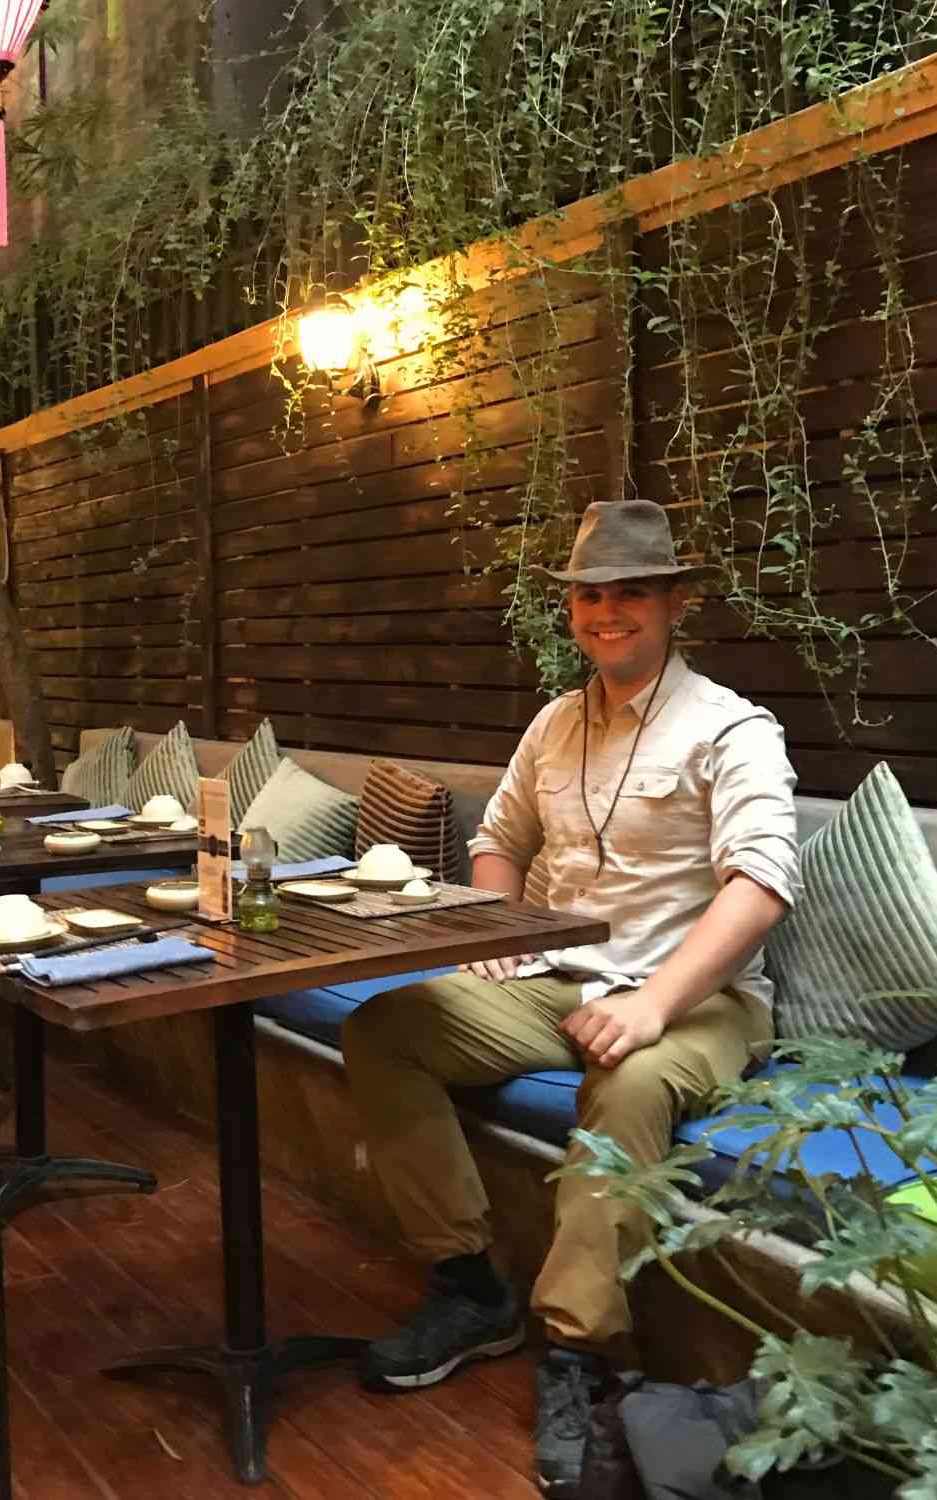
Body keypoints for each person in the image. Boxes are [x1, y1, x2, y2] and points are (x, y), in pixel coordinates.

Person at [340, 499, 801, 1498]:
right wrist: (500, 938)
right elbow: (497, 842)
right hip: (556, 978)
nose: (605, 612)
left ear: (675, 603)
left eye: (630, 592)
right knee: (386, 1028)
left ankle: (579, 1352)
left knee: (626, 1083)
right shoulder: (553, 723)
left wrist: (654, 1004)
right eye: (590, 596)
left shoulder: (731, 728)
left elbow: (761, 885)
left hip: (700, 999)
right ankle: (470, 1287)